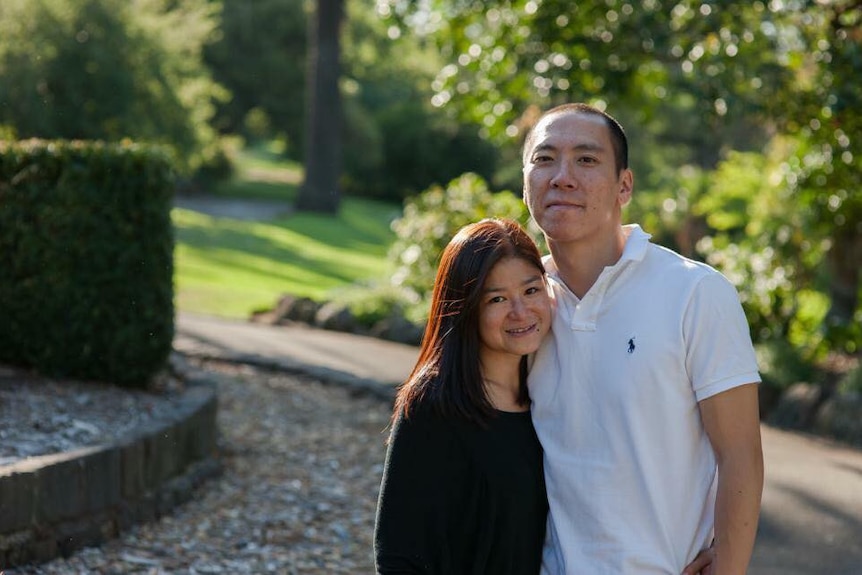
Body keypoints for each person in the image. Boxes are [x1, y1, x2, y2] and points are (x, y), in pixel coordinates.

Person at [522, 102, 764, 575]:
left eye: (587, 160)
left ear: (624, 186)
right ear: (525, 183)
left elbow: (740, 455)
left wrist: (729, 569)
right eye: (545, 158)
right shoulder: (526, 308)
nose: (563, 176)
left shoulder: (694, 292)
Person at [374, 218, 553, 574]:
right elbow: (398, 553)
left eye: (531, 291)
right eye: (497, 299)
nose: (520, 312)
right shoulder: (435, 405)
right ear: (465, 307)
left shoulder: (548, 391)